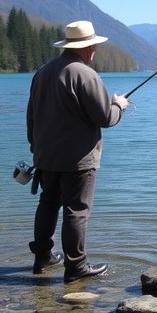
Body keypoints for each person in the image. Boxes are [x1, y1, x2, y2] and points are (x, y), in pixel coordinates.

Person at [26, 20, 129, 281]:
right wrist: (119, 105)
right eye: (93, 46)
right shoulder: (85, 74)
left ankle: (42, 258)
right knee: (77, 209)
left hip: (45, 155)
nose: (94, 50)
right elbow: (105, 117)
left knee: (48, 204)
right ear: (88, 47)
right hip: (78, 160)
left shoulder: (43, 72)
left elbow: (31, 117)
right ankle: (76, 267)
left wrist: (35, 148)